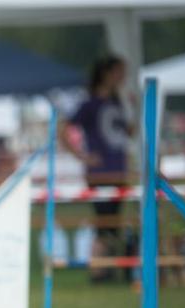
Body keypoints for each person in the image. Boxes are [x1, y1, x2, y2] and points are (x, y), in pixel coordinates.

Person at [61, 54, 135, 281]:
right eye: (119, 72)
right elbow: (63, 129)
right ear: (106, 73)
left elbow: (130, 133)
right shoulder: (89, 103)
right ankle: (98, 270)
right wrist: (82, 157)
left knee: (113, 224)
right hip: (100, 172)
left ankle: (108, 268)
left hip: (118, 169)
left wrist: (132, 108)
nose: (123, 77)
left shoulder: (118, 102)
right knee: (104, 223)